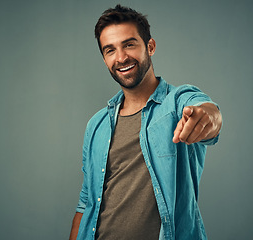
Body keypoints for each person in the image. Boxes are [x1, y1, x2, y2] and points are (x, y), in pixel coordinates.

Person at [69, 5, 222, 240]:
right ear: (104, 58)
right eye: (110, 50)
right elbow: (86, 201)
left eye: (129, 44)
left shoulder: (178, 103)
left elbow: (208, 113)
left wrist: (206, 117)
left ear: (150, 47)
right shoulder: (96, 125)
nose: (121, 57)